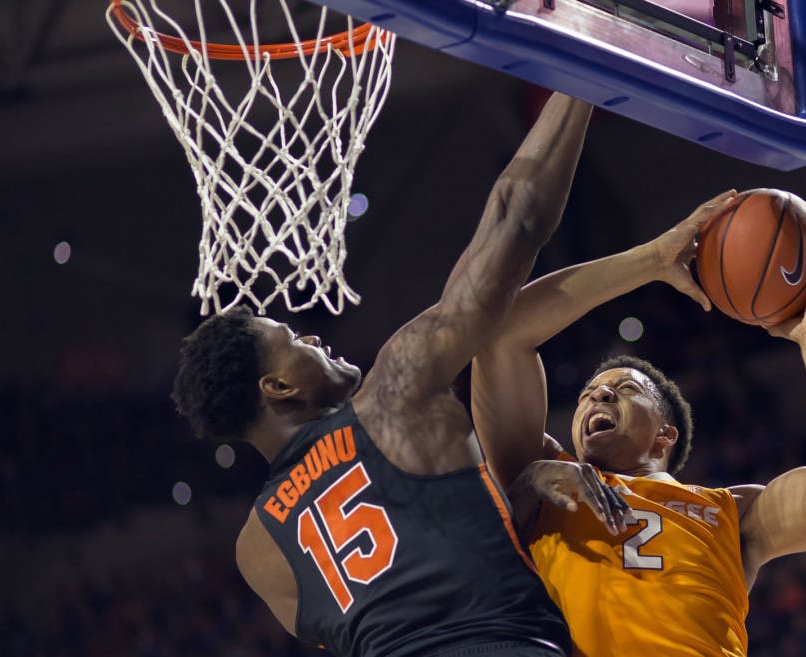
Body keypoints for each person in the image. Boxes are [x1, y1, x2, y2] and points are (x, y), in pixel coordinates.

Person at [170, 92, 602, 657]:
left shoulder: (257, 553)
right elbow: (516, 218)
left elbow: (416, 578)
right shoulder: (391, 398)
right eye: (296, 340)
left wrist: (516, 494)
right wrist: (583, 80)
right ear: (278, 388)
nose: (316, 339)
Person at [471, 194, 806, 657]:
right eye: (588, 395)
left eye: (624, 389)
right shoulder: (547, 476)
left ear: (666, 434)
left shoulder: (732, 515)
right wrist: (653, 259)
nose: (597, 396)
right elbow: (501, 337)